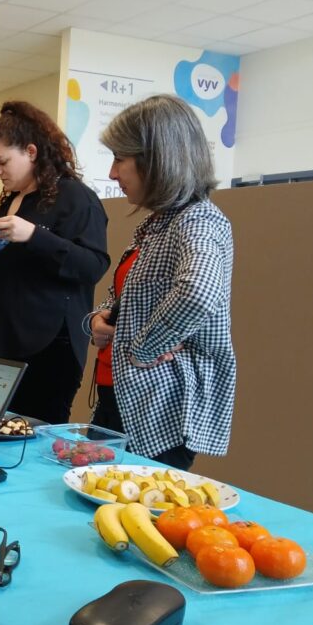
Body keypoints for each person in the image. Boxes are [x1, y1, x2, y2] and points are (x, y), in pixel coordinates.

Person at [86, 95, 235, 470]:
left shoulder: (197, 222)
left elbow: (199, 291)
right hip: (120, 396)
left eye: (120, 159)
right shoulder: (158, 224)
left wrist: (144, 347)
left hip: (154, 411)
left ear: (157, 158)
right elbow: (128, 295)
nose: (112, 173)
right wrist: (100, 320)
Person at [0, 101, 109, 424]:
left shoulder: (76, 198)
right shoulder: (10, 201)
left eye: (2, 161)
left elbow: (93, 266)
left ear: (31, 152)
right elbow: (2, 276)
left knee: (34, 439)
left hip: (48, 347)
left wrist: (34, 235)